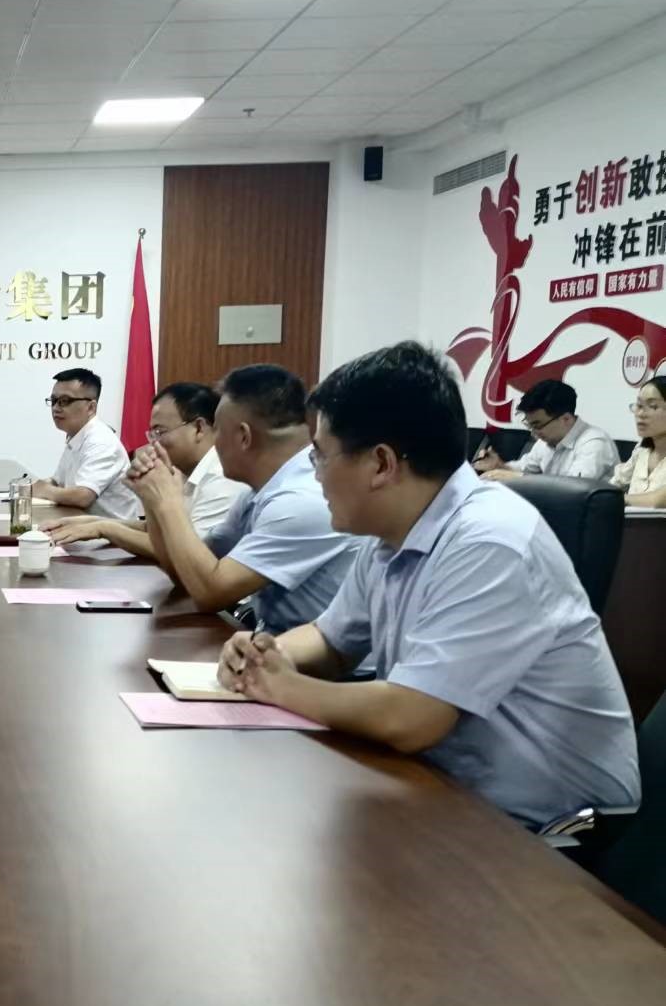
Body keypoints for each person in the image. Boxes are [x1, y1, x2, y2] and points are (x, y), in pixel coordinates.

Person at [219, 341, 638, 829]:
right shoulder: (391, 534)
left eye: (321, 457)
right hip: (441, 790)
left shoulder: (491, 540)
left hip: (548, 833)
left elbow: (411, 718)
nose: (316, 477)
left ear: (381, 464)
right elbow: (331, 641)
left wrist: (280, 686)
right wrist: (266, 654)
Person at [130, 364, 356, 632]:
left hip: (320, 656)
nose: (213, 444)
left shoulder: (300, 500)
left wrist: (168, 501)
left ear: (244, 437)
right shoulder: (259, 492)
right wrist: (152, 500)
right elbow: (186, 572)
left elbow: (210, 593)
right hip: (274, 642)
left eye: (217, 431)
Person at [46, 381, 245, 556]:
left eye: (160, 431)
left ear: (199, 428)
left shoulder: (222, 477)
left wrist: (104, 529)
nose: (153, 443)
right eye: (152, 433)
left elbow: (189, 553)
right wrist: (92, 523)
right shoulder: (184, 471)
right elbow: (155, 529)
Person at [31, 367, 140, 518]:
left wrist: (44, 490)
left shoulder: (101, 442)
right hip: (82, 525)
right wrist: (30, 487)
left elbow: (83, 496)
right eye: (54, 401)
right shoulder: (77, 435)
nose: (56, 408)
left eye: (64, 401)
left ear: (91, 407)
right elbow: (57, 482)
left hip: (110, 531)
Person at [475, 379, 618, 482]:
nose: (533, 433)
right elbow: (524, 468)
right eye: (530, 425)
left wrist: (519, 478)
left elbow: (572, 489)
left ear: (566, 419)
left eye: (537, 425)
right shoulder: (546, 441)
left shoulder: (595, 443)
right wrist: (499, 466)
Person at [612, 376, 666, 507]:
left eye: (652, 406)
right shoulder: (641, 450)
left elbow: (657, 501)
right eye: (639, 405)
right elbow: (615, 484)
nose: (641, 413)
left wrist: (614, 499)